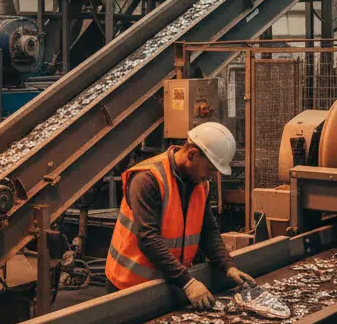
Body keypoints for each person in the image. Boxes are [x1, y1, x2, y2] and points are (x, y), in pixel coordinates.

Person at [105, 121, 255, 309]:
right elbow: (148, 239)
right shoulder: (147, 179)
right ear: (192, 154)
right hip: (129, 286)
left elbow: (208, 231)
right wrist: (188, 282)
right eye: (210, 169)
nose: (210, 176)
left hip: (169, 280)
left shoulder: (200, 184)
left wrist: (228, 266)